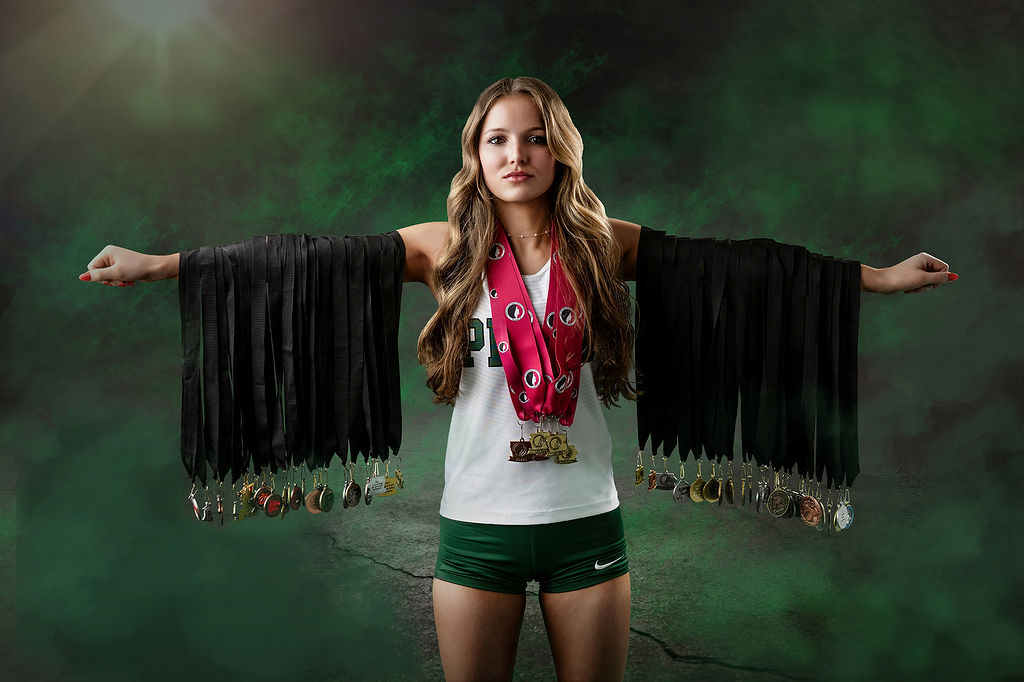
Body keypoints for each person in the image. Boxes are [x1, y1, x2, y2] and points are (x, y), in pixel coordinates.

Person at [79, 76, 958, 682]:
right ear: (477, 151)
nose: (516, 153)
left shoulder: (603, 242)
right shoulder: (442, 246)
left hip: (586, 528)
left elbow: (743, 271)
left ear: (559, 150)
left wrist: (873, 278)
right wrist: (162, 265)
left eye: (534, 138)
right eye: (498, 138)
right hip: (477, 530)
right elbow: (299, 263)